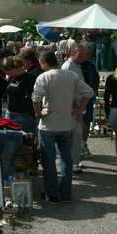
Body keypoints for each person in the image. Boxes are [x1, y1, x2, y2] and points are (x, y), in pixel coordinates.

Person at [34, 51, 93, 203]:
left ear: (44, 63)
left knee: (49, 160)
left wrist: (38, 113)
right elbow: (89, 92)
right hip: (67, 124)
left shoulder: (43, 77)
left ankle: (52, 194)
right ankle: (65, 193)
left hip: (48, 125)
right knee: (66, 159)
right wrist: (79, 110)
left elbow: (36, 98)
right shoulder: (71, 75)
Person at [0, 56, 36, 133]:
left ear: (14, 68)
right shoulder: (12, 78)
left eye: (6, 71)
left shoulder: (29, 78)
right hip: (10, 113)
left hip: (24, 116)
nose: (6, 73)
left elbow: (34, 97)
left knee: (23, 139)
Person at [61, 43, 87, 173]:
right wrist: (73, 106)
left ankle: (74, 162)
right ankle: (72, 164)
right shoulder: (68, 67)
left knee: (76, 135)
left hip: (78, 105)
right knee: (73, 135)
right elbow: (66, 89)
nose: (84, 56)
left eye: (84, 54)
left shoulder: (76, 65)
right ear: (73, 53)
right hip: (73, 106)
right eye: (81, 54)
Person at [79, 43, 100, 161]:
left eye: (90, 53)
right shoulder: (74, 66)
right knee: (78, 123)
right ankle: (78, 146)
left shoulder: (91, 65)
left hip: (89, 98)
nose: (88, 55)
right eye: (87, 53)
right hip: (79, 99)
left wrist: (95, 90)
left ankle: (84, 144)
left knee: (87, 122)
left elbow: (96, 79)